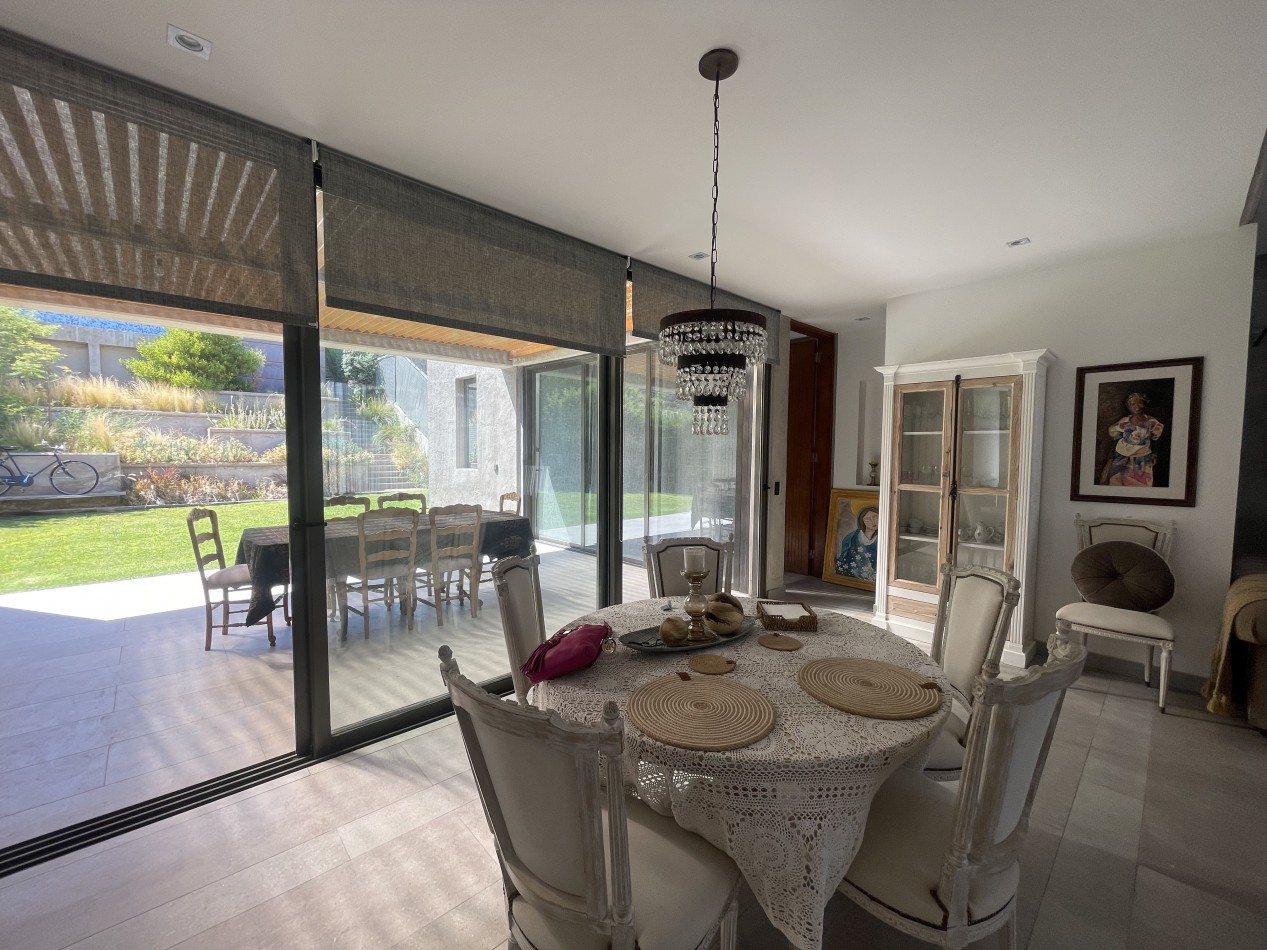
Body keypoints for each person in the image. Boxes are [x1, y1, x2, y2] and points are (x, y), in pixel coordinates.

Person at [1101, 392, 1164, 487]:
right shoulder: (1124, 421)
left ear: (1144, 404)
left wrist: (1154, 454)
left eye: (1140, 403)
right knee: (1118, 481)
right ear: (1128, 406)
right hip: (1123, 455)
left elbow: (1155, 439)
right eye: (1132, 404)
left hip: (1143, 456)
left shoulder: (1151, 422)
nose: (1137, 407)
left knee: (1142, 483)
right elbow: (1115, 436)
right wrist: (1113, 454)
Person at [836, 505, 879, 580]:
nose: (873, 521)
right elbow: (844, 559)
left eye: (876, 517)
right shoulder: (851, 538)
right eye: (867, 519)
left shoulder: (883, 537)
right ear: (862, 521)